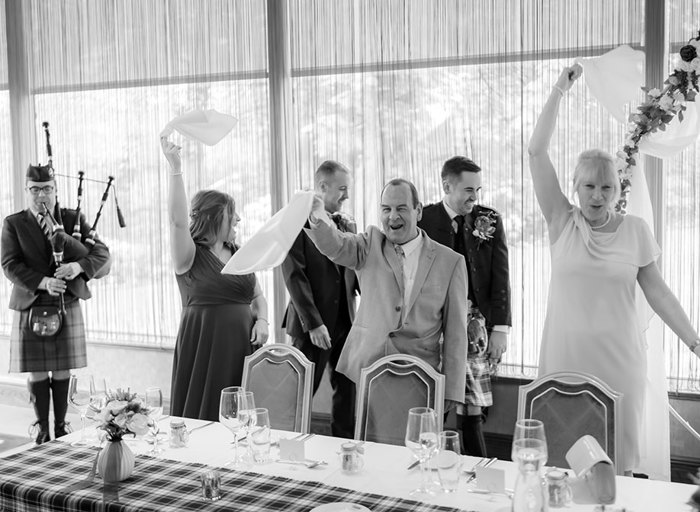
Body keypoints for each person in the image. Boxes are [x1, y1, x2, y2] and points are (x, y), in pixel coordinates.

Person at [528, 65, 700, 473]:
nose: (597, 195)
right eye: (588, 186)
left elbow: (658, 292)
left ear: (618, 190)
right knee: (559, 463)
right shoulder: (560, 221)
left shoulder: (635, 231)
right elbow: (536, 152)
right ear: (575, 187)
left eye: (606, 187)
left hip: (618, 363)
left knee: (612, 469)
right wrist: (558, 90)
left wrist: (695, 343)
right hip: (564, 358)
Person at [305, 178, 469, 410]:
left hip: (422, 376)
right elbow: (336, 245)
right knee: (370, 444)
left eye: (401, 208)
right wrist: (317, 216)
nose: (392, 216)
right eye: (386, 209)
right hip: (370, 371)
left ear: (418, 210)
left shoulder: (451, 262)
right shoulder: (368, 245)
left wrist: (452, 389)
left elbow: (456, 334)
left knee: (416, 444)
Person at [161, 137, 269, 421]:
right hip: (204, 346)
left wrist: (263, 320)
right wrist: (175, 168)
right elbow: (177, 221)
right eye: (231, 215)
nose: (239, 220)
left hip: (241, 348)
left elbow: (257, 296)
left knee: (240, 420)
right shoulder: (188, 256)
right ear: (212, 219)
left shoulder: (239, 252)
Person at [1, 164, 111, 444]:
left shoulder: (73, 218)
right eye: (35, 189)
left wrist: (77, 266)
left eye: (47, 188)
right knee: (38, 370)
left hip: (67, 300)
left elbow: (101, 254)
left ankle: (61, 428)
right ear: (27, 190)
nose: (42, 195)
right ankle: (42, 430)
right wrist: (43, 281)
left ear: (55, 189)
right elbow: (9, 265)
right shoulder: (14, 223)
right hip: (32, 302)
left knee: (63, 369)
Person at [419, 156, 511, 456]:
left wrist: (500, 328)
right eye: (468, 190)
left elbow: (501, 275)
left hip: (474, 326)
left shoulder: (490, 220)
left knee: (472, 405)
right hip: (432, 322)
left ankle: (480, 475)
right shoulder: (424, 219)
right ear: (447, 185)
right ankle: (428, 465)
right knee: (435, 400)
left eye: (478, 190)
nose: (475, 197)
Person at [281, 161, 358, 438]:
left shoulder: (348, 222)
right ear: (323, 187)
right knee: (302, 393)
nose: (346, 196)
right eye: (342, 189)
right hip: (310, 324)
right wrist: (313, 323)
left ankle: (345, 449)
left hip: (346, 322)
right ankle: (291, 445)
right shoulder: (296, 219)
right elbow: (293, 274)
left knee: (347, 392)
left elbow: (354, 269)